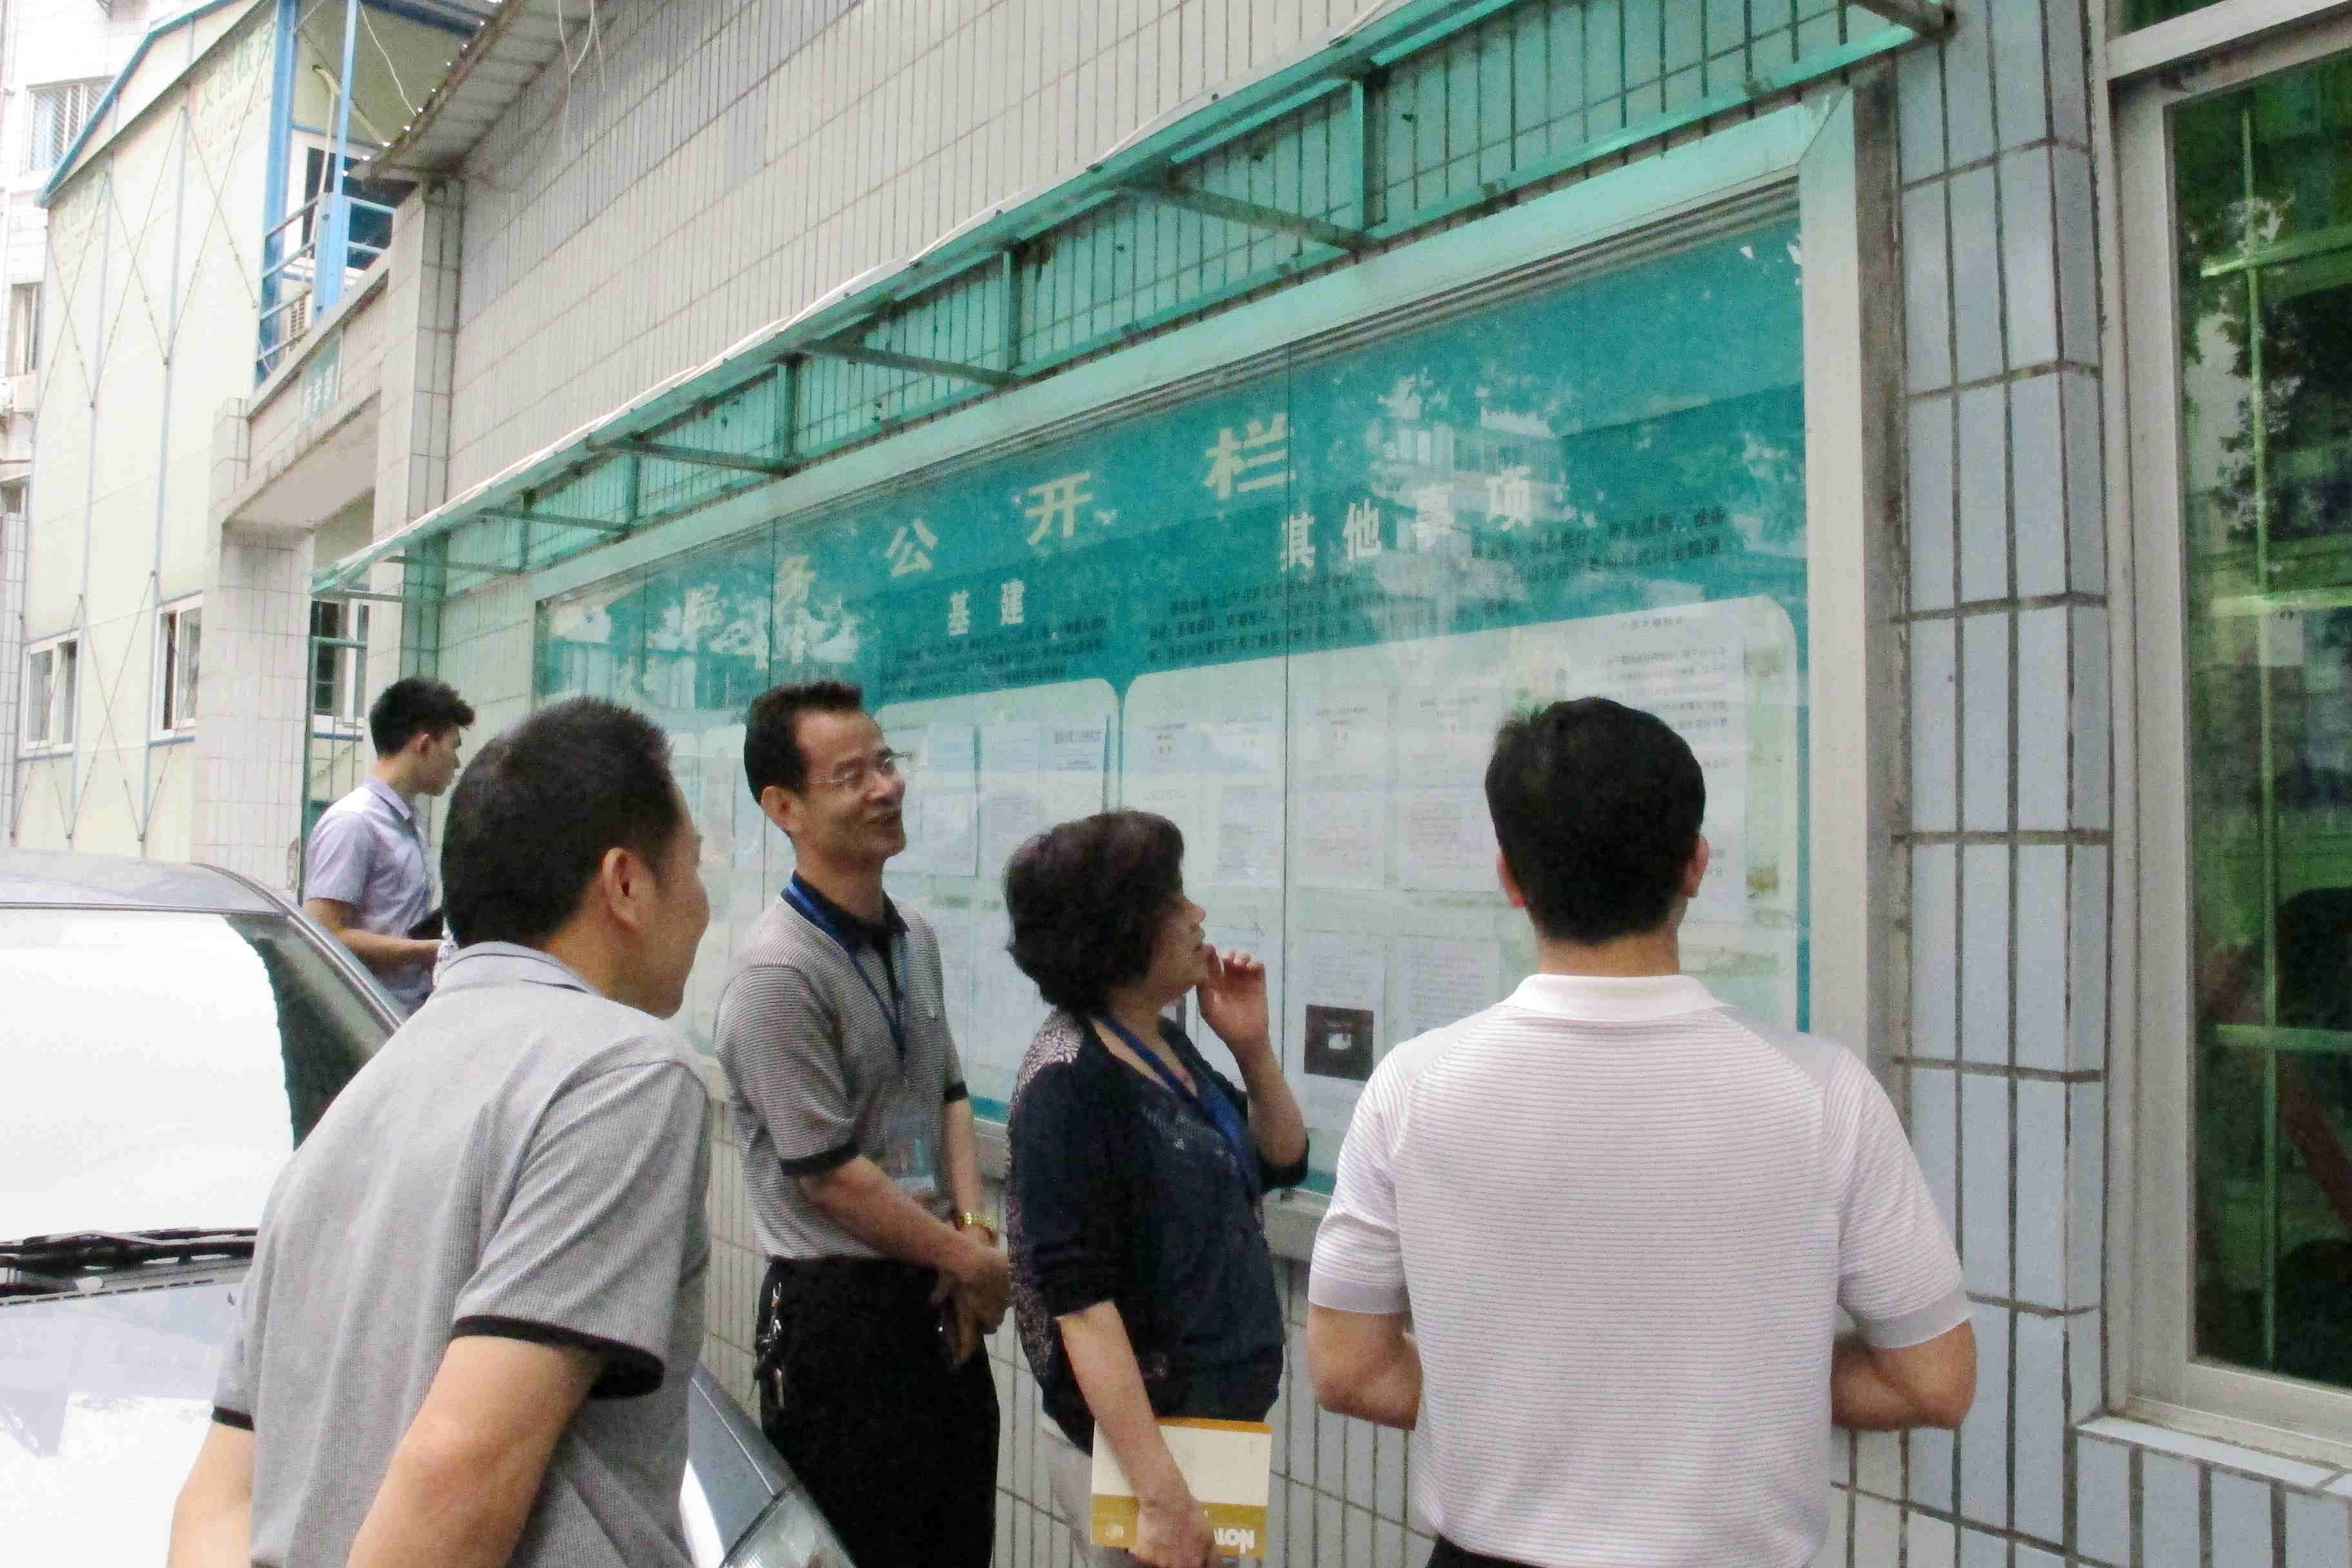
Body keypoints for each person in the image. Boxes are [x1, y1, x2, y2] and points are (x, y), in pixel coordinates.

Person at [1305, 697, 1975, 1568]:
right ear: (1695, 864)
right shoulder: (1824, 1094)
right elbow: (1934, 1380)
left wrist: (1527, 1403)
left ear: (1511, 877)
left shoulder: (1414, 1088)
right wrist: (1732, 1392)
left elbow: (1348, 1367)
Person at [166, 698, 714, 1568]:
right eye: (694, 865)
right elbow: (460, 1467)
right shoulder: (624, 1073)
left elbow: (219, 1497)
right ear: (624, 883)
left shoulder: (351, 1110)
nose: (704, 904)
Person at [714, 680, 1004, 1568]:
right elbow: (829, 1177)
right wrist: (969, 1262)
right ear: (785, 807)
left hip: (938, 1290)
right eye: (852, 775)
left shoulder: (915, 937)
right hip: (841, 1318)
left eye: (886, 762)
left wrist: (970, 1229)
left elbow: (948, 1090)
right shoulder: (777, 972)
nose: (887, 786)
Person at [1003, 810, 1309, 1568]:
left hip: (1208, 1426)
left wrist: (1252, 1047)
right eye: (1173, 900)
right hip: (1140, 1448)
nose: (1197, 913)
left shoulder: (1162, 1040)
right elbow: (1082, 1306)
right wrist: (1162, 1496)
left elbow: (1282, 1157)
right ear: (1120, 930)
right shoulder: (1068, 1081)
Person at [303, 675, 476, 1013]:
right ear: (424, 744)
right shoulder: (354, 822)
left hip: (405, 1012)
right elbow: (323, 934)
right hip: (367, 1017)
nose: (457, 763)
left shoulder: (408, 821)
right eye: (454, 746)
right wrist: (430, 951)